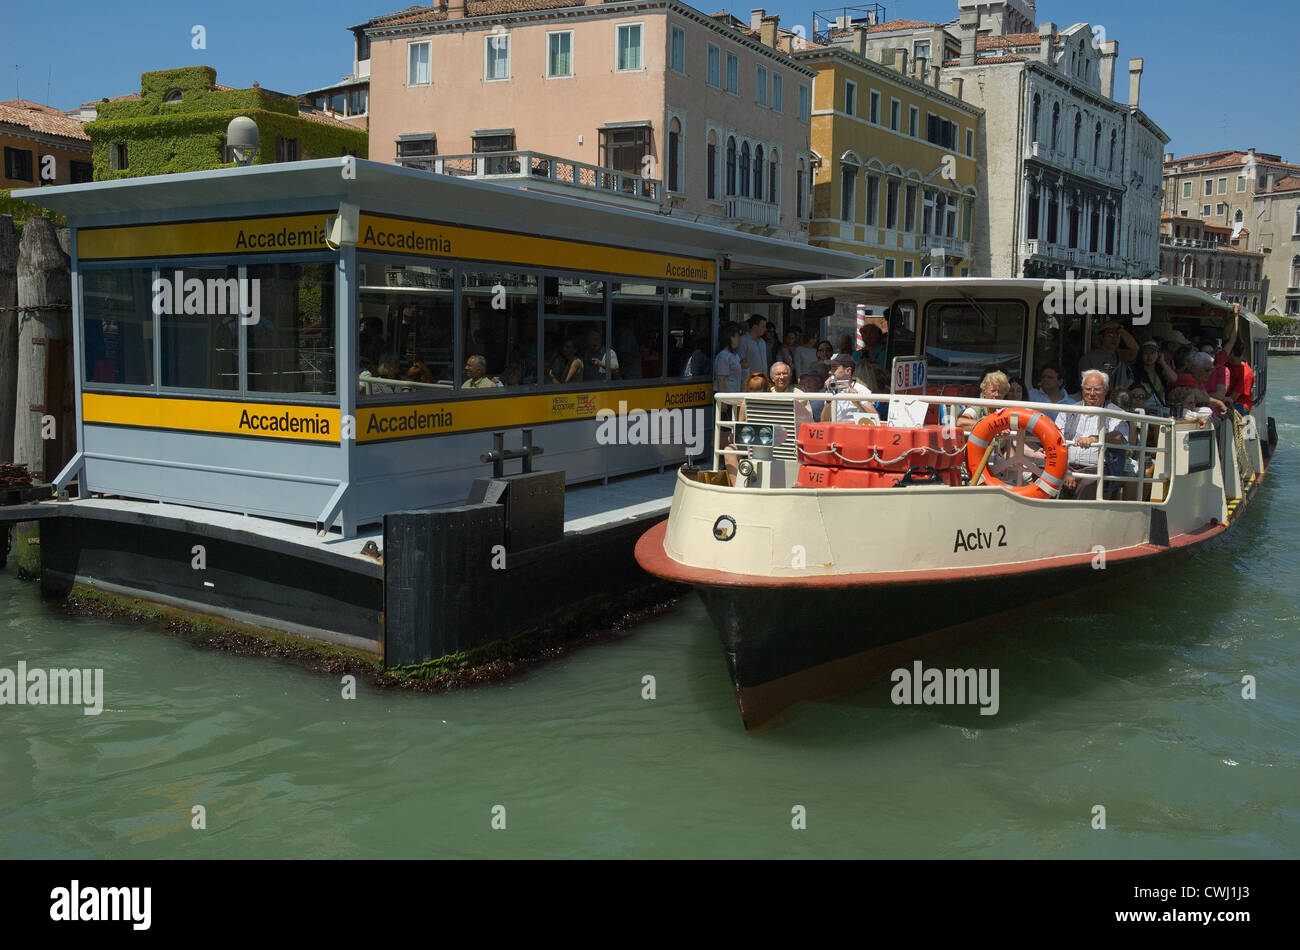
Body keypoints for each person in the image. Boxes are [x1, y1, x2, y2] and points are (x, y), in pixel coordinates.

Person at [1054, 369, 1129, 500]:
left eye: (1097, 389)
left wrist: (1095, 439)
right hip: (1067, 464)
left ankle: (1081, 518)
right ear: (1082, 389)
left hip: (1098, 467)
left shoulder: (1115, 412)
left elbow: (1118, 436)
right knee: (1042, 473)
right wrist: (1065, 469)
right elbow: (1056, 438)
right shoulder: (1069, 410)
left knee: (1088, 482)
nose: (1092, 394)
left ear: (1106, 390)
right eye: (1088, 389)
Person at [1079, 320, 1138, 393]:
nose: (1114, 338)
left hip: (1119, 400)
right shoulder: (1089, 358)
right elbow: (1084, 384)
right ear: (1101, 337)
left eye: (1118, 335)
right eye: (1110, 335)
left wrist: (1120, 329)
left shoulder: (1121, 355)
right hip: (1098, 398)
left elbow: (1135, 349)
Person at [821, 353, 877, 423]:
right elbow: (824, 421)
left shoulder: (861, 389)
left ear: (848, 371)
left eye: (834, 368)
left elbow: (875, 419)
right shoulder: (831, 389)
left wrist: (857, 402)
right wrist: (829, 399)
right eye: (830, 368)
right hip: (836, 432)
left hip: (854, 432)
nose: (830, 372)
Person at [1130, 340, 1175, 407]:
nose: (1149, 356)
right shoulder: (1134, 372)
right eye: (1145, 353)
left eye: (1153, 353)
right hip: (1141, 410)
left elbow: (1174, 379)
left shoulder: (1161, 371)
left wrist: (1162, 362)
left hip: (1160, 410)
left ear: (1158, 354)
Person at [714, 323, 744, 394]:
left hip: (733, 398)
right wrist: (723, 403)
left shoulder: (735, 355)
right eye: (738, 336)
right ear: (731, 337)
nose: (739, 338)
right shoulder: (723, 356)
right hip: (726, 399)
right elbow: (721, 380)